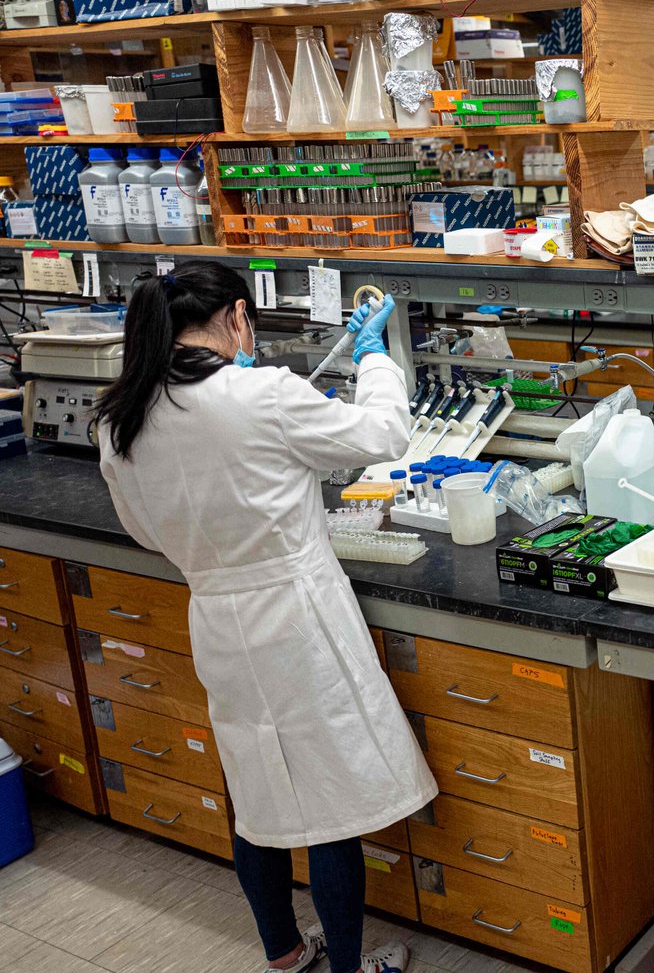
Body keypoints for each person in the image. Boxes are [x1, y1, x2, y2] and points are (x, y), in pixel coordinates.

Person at [94, 260, 435, 973]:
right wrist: (374, 357)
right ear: (237, 318)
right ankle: (349, 967)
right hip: (297, 619)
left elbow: (147, 533)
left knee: (258, 794)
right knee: (329, 806)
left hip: (217, 617)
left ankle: (283, 953)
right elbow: (383, 436)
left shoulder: (120, 416)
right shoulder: (261, 392)